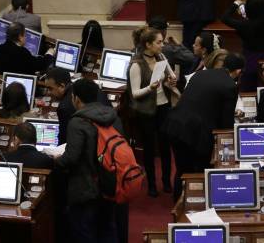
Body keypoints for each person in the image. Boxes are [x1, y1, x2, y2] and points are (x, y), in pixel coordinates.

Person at [165, 51, 243, 199]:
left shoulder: (200, 74)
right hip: (197, 133)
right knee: (200, 171)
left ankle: (178, 206)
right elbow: (225, 124)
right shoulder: (229, 85)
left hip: (175, 126)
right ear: (238, 71)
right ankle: (197, 206)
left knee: (182, 170)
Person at [55, 79, 123, 243]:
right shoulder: (114, 117)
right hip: (110, 184)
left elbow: (71, 158)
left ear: (76, 99)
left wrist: (57, 160)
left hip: (85, 188)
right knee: (108, 229)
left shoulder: (77, 122)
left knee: (84, 232)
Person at [127, 28, 178, 197]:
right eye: (159, 42)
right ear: (148, 44)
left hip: (163, 107)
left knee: (165, 147)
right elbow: (134, 93)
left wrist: (172, 80)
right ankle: (151, 184)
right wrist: (150, 87)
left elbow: (171, 77)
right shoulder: (136, 64)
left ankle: (166, 182)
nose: (162, 45)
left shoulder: (161, 57)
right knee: (149, 149)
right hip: (146, 111)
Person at [221, 0, 264, 91]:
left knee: (248, 91)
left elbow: (225, 18)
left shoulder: (244, 25)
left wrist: (237, 3)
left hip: (250, 61)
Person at [45, 68, 111, 144]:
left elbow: (65, 140)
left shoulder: (64, 108)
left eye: (50, 88)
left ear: (62, 86)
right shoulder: (90, 87)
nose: (48, 93)